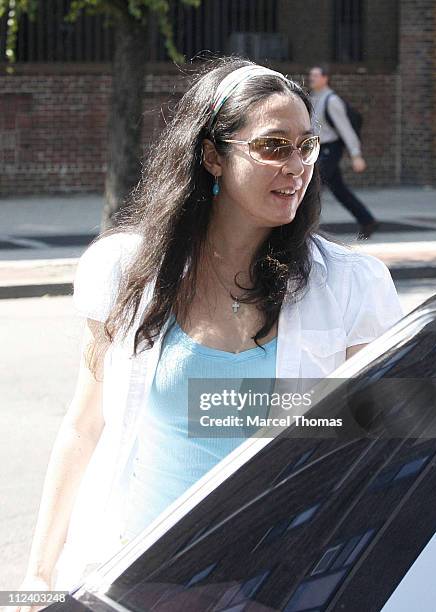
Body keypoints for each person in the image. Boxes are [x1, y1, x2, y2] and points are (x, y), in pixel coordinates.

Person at [15, 56, 404, 603]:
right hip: (137, 579)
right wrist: (39, 575)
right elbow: (84, 428)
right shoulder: (124, 271)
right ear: (212, 156)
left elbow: (378, 441)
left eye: (306, 146)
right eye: (273, 146)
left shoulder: (347, 284)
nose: (297, 165)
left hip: (274, 584)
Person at [308, 64, 379, 239]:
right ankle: (367, 220)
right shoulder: (313, 98)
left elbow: (346, 129)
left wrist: (356, 155)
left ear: (325, 78)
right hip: (318, 148)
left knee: (313, 186)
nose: (312, 79)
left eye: (316, 76)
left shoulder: (331, 100)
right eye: (311, 76)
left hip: (331, 149)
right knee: (339, 189)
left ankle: (306, 227)